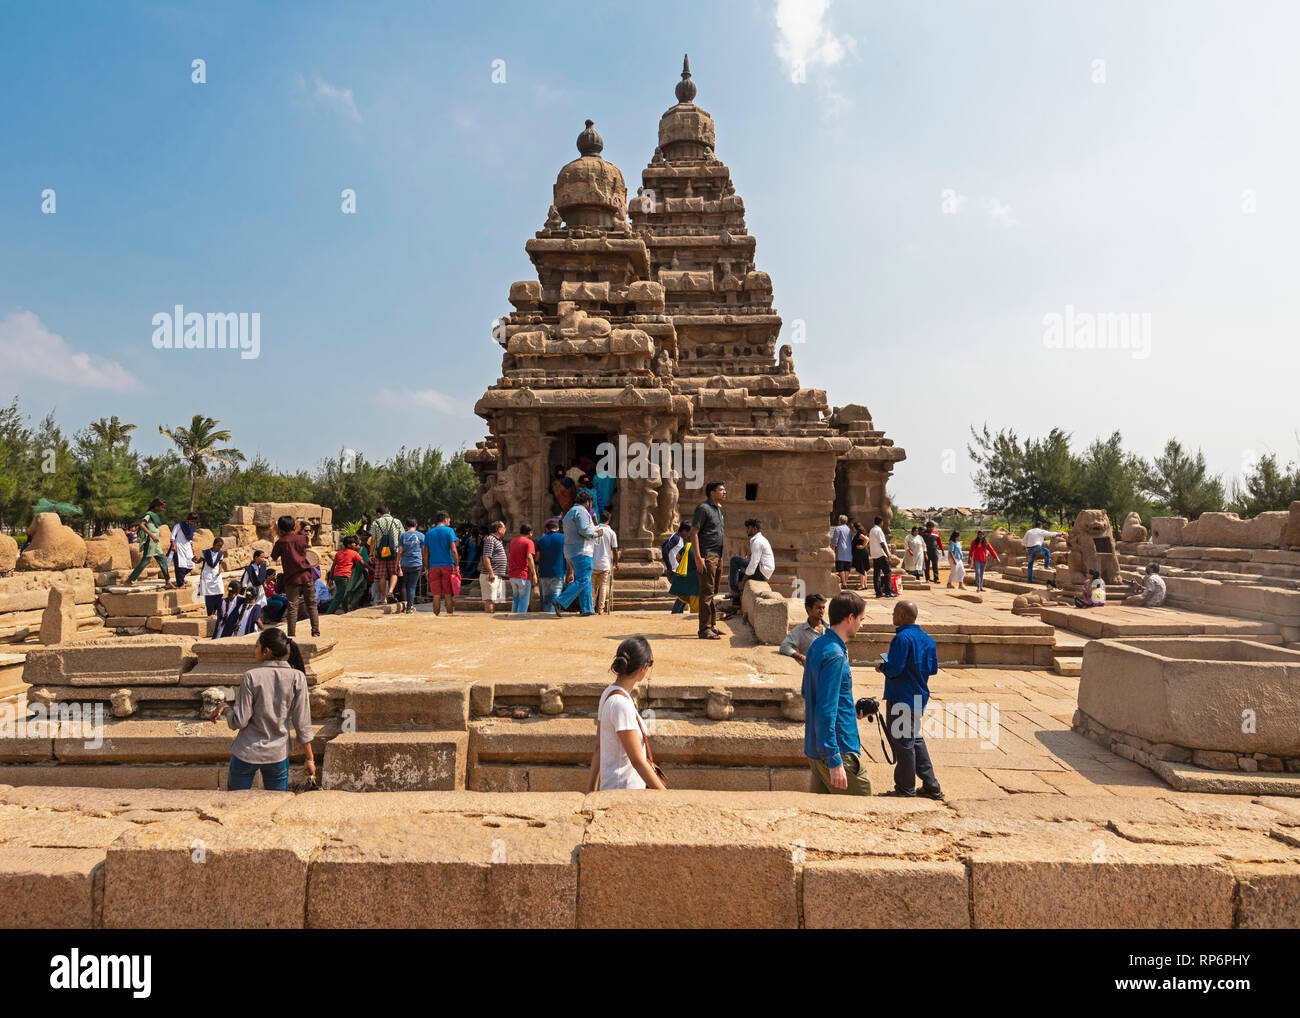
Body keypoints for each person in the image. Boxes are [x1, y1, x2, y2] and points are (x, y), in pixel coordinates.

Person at [211, 627, 315, 792]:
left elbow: (240, 720)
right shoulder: (298, 677)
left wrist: (225, 709)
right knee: (274, 804)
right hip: (277, 754)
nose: (254, 649)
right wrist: (309, 759)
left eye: (256, 646)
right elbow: (302, 723)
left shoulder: (251, 676)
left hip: (246, 752)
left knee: (234, 805)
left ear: (266, 651)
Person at [803, 590, 871, 795]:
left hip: (815, 749)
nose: (861, 624)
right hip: (838, 750)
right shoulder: (835, 655)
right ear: (850, 618)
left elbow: (809, 694)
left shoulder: (818, 645)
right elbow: (825, 710)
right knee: (862, 805)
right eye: (861, 619)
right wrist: (834, 760)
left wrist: (851, 711)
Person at [877, 599, 943, 799]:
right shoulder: (927, 639)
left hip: (901, 696)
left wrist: (882, 667)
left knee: (903, 742)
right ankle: (931, 785)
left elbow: (895, 669)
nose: (892, 615)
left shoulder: (901, 639)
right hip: (918, 695)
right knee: (913, 738)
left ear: (903, 616)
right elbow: (932, 669)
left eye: (895, 612)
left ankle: (905, 788)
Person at [585, 636, 667, 791]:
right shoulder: (621, 704)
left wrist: (591, 790)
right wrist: (666, 796)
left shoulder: (608, 693)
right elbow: (637, 761)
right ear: (643, 667)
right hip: (625, 790)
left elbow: (598, 748)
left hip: (612, 787)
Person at [270, 514, 319, 638]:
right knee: (312, 605)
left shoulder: (280, 542)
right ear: (294, 527)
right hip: (307, 576)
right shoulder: (301, 539)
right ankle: (315, 632)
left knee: (292, 607)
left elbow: (274, 557)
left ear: (280, 528)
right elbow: (309, 551)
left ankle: (292, 635)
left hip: (291, 579)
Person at [689, 481, 727, 639]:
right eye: (721, 490)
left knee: (713, 592)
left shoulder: (717, 509)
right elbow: (694, 533)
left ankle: (712, 625)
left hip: (718, 556)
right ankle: (704, 630)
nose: (724, 492)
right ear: (712, 492)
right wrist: (698, 557)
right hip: (707, 555)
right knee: (706, 593)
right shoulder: (703, 508)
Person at [553, 491, 599, 617]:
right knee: (584, 579)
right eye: (591, 503)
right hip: (582, 551)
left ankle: (587, 609)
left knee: (585, 580)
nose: (591, 506)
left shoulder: (569, 513)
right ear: (587, 502)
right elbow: (584, 530)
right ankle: (560, 600)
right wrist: (596, 534)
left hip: (571, 552)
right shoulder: (582, 512)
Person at [125, 498, 173, 587]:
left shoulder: (153, 515)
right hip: (151, 542)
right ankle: (129, 580)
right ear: (156, 506)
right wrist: (152, 535)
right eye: (161, 507)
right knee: (145, 561)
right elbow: (141, 525)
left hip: (155, 543)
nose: (162, 509)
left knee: (162, 560)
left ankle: (168, 582)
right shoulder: (149, 515)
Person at [728, 517, 773, 612]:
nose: (747, 531)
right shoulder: (758, 540)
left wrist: (743, 581)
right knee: (736, 574)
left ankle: (734, 593)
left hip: (761, 572)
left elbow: (753, 564)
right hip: (761, 571)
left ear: (754, 529)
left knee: (734, 560)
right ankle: (736, 602)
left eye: (748, 528)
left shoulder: (758, 542)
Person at [423, 511, 460, 616]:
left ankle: (436, 616)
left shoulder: (429, 533)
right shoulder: (449, 531)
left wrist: (426, 568)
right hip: (448, 565)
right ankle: (449, 615)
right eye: (449, 520)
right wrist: (457, 565)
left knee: (436, 594)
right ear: (445, 519)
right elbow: (453, 549)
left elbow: (425, 552)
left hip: (433, 567)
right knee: (448, 594)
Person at [368, 505, 403, 605]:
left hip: (380, 553)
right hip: (394, 552)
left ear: (379, 514)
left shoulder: (376, 522)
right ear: (389, 512)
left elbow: (373, 539)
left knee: (381, 575)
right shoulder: (397, 521)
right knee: (394, 573)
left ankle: (383, 598)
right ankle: (390, 592)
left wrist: (371, 554)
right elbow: (401, 536)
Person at [778, 593, 827, 665]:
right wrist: (801, 657)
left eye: (823, 608)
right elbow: (784, 647)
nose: (822, 611)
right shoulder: (800, 630)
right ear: (808, 610)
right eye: (819, 608)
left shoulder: (829, 628)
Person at [591, 511, 619, 615]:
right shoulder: (611, 533)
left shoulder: (594, 529)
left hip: (593, 562)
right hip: (605, 563)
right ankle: (600, 609)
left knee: (592, 586)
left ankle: (591, 607)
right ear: (609, 520)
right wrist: (616, 563)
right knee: (603, 586)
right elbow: (615, 550)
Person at [535, 518, 566, 613]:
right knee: (555, 597)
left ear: (547, 529)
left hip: (544, 572)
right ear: (557, 528)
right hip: (559, 571)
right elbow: (567, 556)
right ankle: (552, 614)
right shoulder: (563, 538)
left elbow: (537, 558)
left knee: (546, 598)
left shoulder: (540, 540)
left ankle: (546, 615)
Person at [328, 535, 364, 614]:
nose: (355, 544)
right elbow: (363, 563)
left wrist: (330, 578)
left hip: (337, 576)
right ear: (349, 545)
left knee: (345, 594)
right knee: (340, 596)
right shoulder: (353, 553)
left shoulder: (339, 553)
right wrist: (372, 570)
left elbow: (333, 566)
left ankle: (346, 611)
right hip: (344, 576)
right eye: (354, 543)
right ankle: (328, 613)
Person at [1022, 520, 1064, 586]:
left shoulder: (1029, 531)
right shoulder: (1041, 531)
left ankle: (1029, 580)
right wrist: (1060, 533)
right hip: (1036, 548)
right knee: (1047, 551)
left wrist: (1025, 549)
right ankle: (1046, 566)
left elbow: (1023, 542)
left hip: (1029, 549)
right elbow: (1051, 533)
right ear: (1040, 526)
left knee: (1030, 564)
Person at [479, 521, 508, 614]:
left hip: (496, 574)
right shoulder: (491, 539)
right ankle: (488, 619)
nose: (505, 529)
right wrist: (491, 573)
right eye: (504, 527)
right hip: (491, 575)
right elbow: (486, 557)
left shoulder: (497, 540)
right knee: (490, 599)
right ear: (498, 529)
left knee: (493, 599)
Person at [508, 523, 538, 614]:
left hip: (512, 575)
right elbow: (529, 557)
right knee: (524, 600)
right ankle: (520, 617)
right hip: (523, 575)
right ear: (530, 532)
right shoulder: (529, 542)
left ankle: (514, 615)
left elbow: (509, 556)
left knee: (516, 598)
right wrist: (534, 574)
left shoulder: (513, 541)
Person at [663, 522, 692, 614]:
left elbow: (664, 546)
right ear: (684, 531)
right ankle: (676, 612)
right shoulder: (676, 538)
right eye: (688, 532)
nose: (688, 535)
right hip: (674, 571)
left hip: (677, 571)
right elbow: (665, 549)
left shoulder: (676, 537)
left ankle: (678, 611)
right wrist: (669, 566)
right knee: (684, 592)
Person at [397, 517, 424, 614]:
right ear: (416, 525)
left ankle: (409, 605)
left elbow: (400, 551)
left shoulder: (402, 536)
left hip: (405, 564)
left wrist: (397, 564)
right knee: (412, 586)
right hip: (417, 563)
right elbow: (424, 550)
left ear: (406, 526)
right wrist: (425, 563)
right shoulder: (421, 535)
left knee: (408, 585)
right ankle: (409, 607)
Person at [198, 537, 226, 617]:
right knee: (209, 595)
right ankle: (210, 613)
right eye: (217, 545)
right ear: (213, 545)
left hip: (216, 575)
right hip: (207, 575)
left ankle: (215, 610)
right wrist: (194, 560)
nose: (219, 547)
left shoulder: (220, 553)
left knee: (220, 592)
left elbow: (219, 563)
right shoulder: (206, 552)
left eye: (220, 546)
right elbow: (199, 561)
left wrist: (220, 569)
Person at [241, 550, 268, 631]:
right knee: (251, 606)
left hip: (259, 590)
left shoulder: (263, 567)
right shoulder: (250, 569)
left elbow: (263, 578)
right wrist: (247, 589)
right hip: (251, 590)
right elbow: (244, 582)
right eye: (261, 557)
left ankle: (258, 622)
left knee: (259, 606)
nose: (263, 559)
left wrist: (265, 584)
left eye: (264, 557)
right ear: (256, 557)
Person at [170, 512, 199, 586]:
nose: (193, 523)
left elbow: (190, 538)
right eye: (192, 521)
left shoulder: (192, 526)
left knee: (191, 565)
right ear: (188, 519)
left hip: (188, 547)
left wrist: (192, 548)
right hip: (179, 546)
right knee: (180, 565)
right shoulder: (179, 525)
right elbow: (172, 536)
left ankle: (181, 577)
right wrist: (173, 546)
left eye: (194, 522)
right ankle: (180, 583)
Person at [869, 516, 893, 598]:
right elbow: (882, 543)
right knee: (887, 573)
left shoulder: (872, 530)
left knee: (877, 574)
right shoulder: (878, 530)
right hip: (881, 554)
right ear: (881, 522)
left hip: (875, 555)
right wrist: (888, 554)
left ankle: (878, 592)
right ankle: (888, 591)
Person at [830, 514, 853, 588]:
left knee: (840, 567)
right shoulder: (849, 529)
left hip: (840, 550)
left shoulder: (838, 528)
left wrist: (833, 549)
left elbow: (835, 540)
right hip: (848, 550)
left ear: (840, 521)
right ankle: (845, 582)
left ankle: (844, 583)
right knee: (846, 568)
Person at [851, 522, 870, 590]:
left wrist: (862, 546)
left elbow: (867, 539)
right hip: (862, 552)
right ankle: (865, 585)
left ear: (855, 528)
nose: (853, 528)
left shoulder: (859, 534)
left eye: (853, 527)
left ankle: (862, 585)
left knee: (861, 568)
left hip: (860, 553)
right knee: (863, 569)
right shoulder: (862, 533)